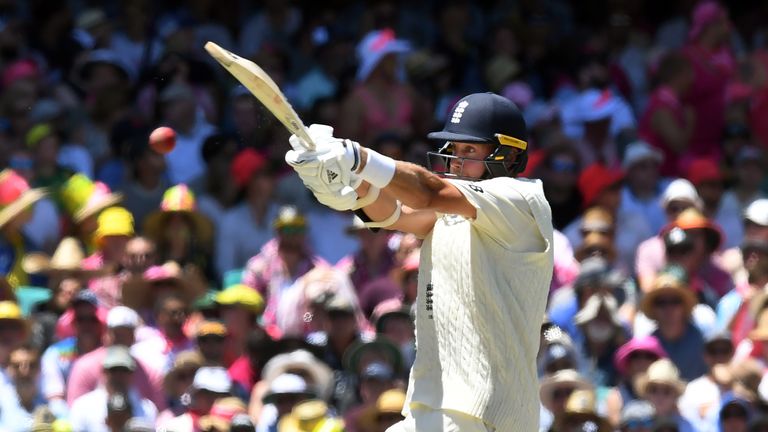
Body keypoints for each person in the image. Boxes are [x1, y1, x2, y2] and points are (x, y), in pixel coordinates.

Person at [283, 92, 553, 430]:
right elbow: (395, 214)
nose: (456, 161)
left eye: (469, 150)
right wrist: (346, 188)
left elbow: (428, 192)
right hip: (432, 407)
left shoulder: (522, 201)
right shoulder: (452, 214)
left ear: (509, 155)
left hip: (486, 413)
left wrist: (357, 157)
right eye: (454, 151)